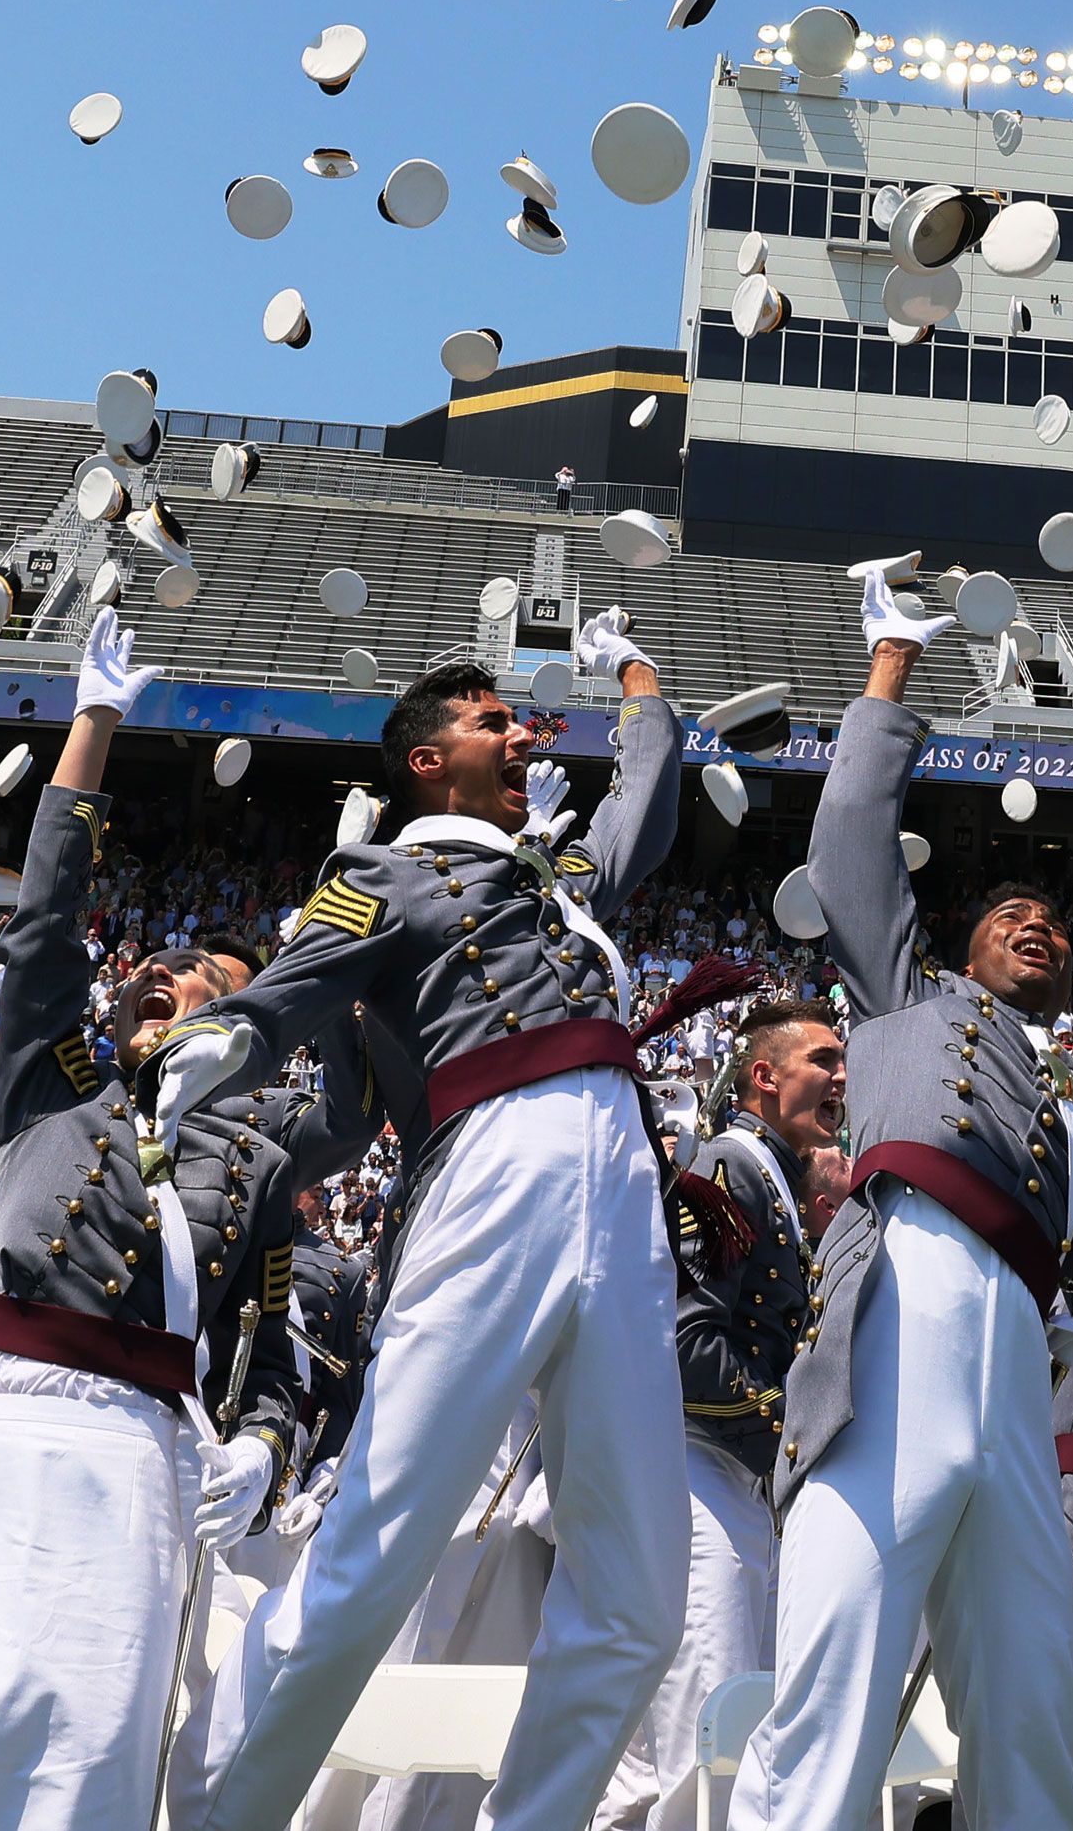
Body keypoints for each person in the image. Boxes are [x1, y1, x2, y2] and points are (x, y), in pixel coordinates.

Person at [729, 564, 1073, 1831]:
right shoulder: (907, 1001)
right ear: (956, 949)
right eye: (1009, 913)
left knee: (1027, 1719)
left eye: (1054, 924)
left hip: (1021, 1359)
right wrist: (889, 668)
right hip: (907, 1297)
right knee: (836, 1690)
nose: (1035, 926)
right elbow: (849, 844)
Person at [0, 612, 315, 1831]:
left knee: (85, 1752)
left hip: (143, 1458)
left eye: (208, 981)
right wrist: (89, 733)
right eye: (161, 966)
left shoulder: (259, 1158)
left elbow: (279, 1358)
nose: (168, 974)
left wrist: (264, 1450)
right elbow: (40, 933)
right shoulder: (53, 1087)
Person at [203, 610, 692, 1831]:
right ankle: (224, 1809)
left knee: (639, 1594)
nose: (521, 733)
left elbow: (648, 791)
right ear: (426, 760)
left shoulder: (560, 883)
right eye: (493, 721)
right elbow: (282, 993)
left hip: (620, 1175)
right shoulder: (383, 871)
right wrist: (205, 1045)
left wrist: (632, 673)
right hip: (491, 1162)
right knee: (378, 1543)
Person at [605, 996, 842, 1831]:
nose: (842, 1077)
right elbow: (687, 1346)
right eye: (824, 1060)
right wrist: (797, 1433)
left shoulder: (772, 1174)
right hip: (699, 1473)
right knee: (707, 1745)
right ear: (764, 1075)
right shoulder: (728, 1166)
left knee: (713, 1739)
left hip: (739, 1478)